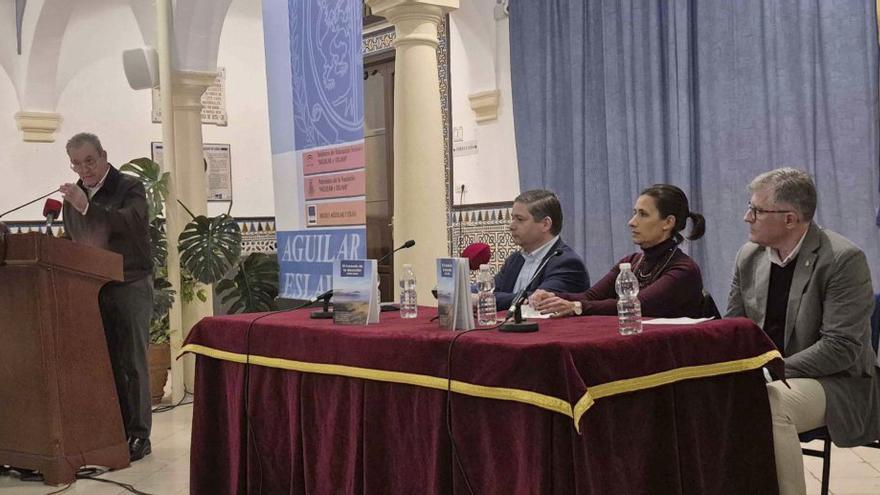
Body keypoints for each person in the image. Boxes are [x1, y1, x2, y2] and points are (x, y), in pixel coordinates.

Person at [726, 168, 880, 495]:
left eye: (756, 210)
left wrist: (768, 370)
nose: (746, 217)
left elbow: (841, 347)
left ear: (790, 219)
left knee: (771, 402)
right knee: (702, 397)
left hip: (838, 383)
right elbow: (734, 331)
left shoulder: (842, 259)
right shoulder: (749, 256)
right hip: (769, 376)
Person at [59, 133, 154, 462]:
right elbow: (74, 240)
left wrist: (88, 207)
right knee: (106, 362)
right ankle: (115, 430)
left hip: (130, 282)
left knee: (132, 362)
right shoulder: (74, 196)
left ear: (103, 155)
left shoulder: (129, 187)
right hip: (93, 288)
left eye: (89, 161)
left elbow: (131, 222)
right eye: (76, 163)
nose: (84, 169)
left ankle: (140, 435)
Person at [531, 184, 706, 318]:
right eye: (634, 213)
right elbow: (591, 296)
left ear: (668, 222)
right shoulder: (631, 262)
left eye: (643, 214)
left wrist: (577, 307)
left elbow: (637, 305)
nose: (632, 222)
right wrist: (552, 297)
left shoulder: (684, 269)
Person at [492, 189, 589, 310]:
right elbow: (490, 292)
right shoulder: (514, 260)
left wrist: (487, 299)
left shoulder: (568, 263)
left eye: (520, 219)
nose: (511, 226)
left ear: (545, 224)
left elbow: (538, 301)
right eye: (512, 218)